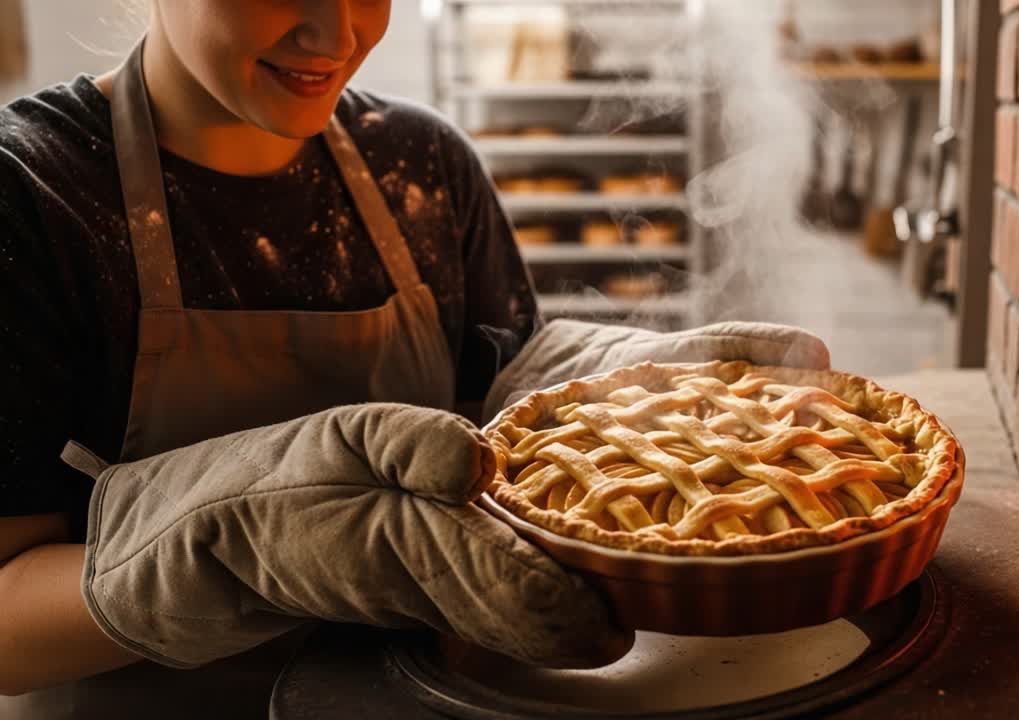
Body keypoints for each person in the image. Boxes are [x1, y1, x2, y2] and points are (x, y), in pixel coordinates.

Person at [0, 2, 830, 718]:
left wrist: (590, 400)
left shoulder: (423, 164)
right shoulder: (33, 195)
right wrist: (247, 551)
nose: (336, 30)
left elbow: (495, 422)